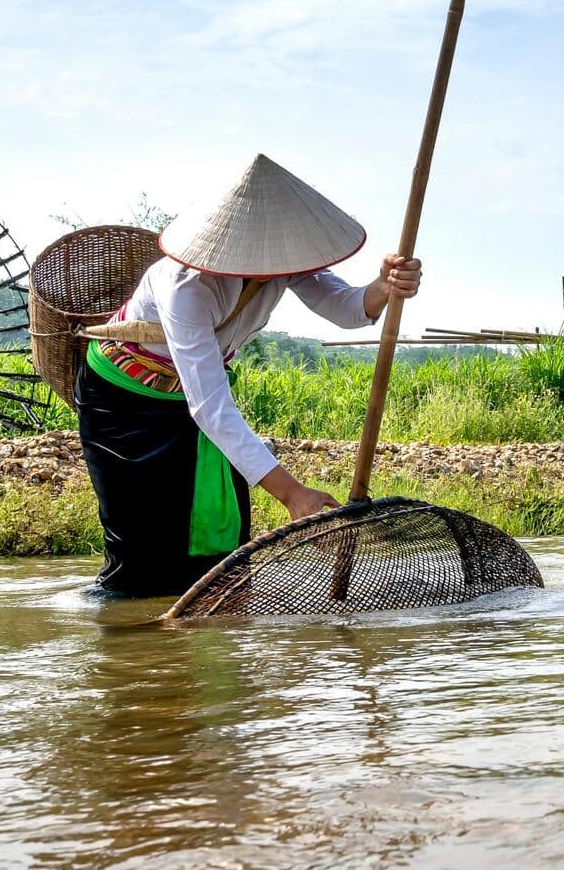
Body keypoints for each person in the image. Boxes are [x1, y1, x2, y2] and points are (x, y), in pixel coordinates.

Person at [75, 154, 422, 597]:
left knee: (219, 550)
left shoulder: (286, 261)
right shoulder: (186, 287)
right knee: (140, 551)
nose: (278, 262)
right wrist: (294, 494)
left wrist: (384, 287)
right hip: (124, 405)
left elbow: (347, 308)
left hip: (191, 397)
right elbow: (212, 409)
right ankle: (127, 646)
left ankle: (198, 650)